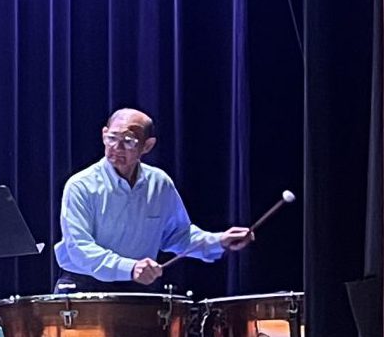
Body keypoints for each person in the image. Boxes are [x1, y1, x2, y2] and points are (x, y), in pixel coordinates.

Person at [55, 108, 254, 288]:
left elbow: (179, 235)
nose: (117, 147)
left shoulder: (159, 183)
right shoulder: (80, 185)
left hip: (138, 288)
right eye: (112, 138)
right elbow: (79, 247)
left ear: (147, 146)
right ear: (103, 135)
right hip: (84, 287)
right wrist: (129, 268)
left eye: (129, 141)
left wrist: (220, 241)